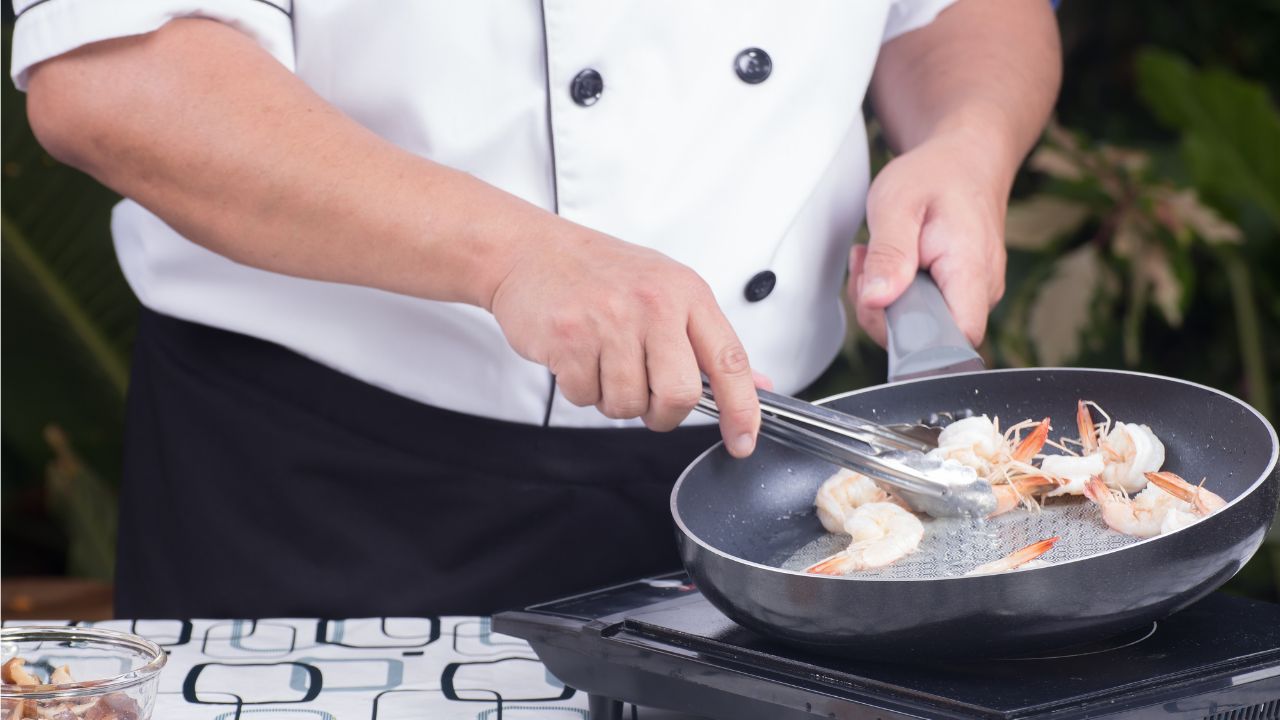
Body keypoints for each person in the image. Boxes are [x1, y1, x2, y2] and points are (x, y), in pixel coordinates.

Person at [10, 0, 1061, 618]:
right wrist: (512, 255)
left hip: (788, 502)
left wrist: (965, 142)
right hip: (319, 496)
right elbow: (118, 71)